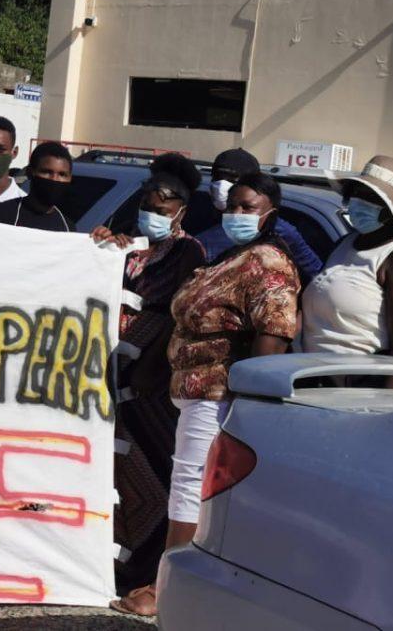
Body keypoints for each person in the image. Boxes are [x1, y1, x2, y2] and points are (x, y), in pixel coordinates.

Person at [112, 172, 299, 617]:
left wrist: (251, 403)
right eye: (231, 206)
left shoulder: (268, 263)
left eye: (247, 207)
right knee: (191, 487)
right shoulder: (234, 256)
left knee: (189, 488)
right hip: (194, 392)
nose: (236, 213)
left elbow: (272, 334)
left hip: (219, 394)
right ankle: (177, 580)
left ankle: (167, 589)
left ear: (270, 211)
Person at [91, 154, 207, 594]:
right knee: (119, 470)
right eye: (147, 205)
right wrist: (101, 247)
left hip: (150, 381)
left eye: (161, 210)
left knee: (155, 477)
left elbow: (181, 314)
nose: (152, 214)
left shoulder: (188, 250)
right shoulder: (130, 244)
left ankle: (147, 572)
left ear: (180, 210)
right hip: (115, 377)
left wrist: (154, 364)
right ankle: (116, 562)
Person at [297, 156, 393, 390]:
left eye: (371, 198)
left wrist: (382, 407)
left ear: (391, 208)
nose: (359, 203)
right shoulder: (345, 245)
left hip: (370, 391)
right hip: (325, 386)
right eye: (357, 194)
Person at [196, 147, 323, 283]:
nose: (222, 185)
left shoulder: (281, 231)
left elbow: (316, 275)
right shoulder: (197, 214)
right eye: (218, 177)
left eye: (232, 179)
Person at [0, 142, 73, 232]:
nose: (54, 179)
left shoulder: (68, 229)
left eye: (62, 174)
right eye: (47, 172)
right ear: (29, 172)